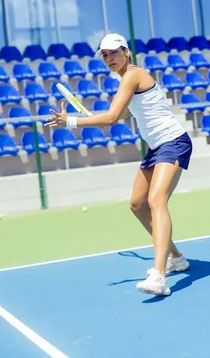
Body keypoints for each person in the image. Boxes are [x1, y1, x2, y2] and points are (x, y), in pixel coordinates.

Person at [45, 33, 192, 296]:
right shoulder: (127, 81)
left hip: (173, 141)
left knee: (156, 200)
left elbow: (112, 117)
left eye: (113, 52)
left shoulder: (133, 75)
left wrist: (71, 121)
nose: (108, 58)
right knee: (137, 204)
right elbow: (120, 114)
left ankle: (158, 275)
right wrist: (94, 119)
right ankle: (176, 257)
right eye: (104, 54)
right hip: (157, 147)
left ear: (126, 52)